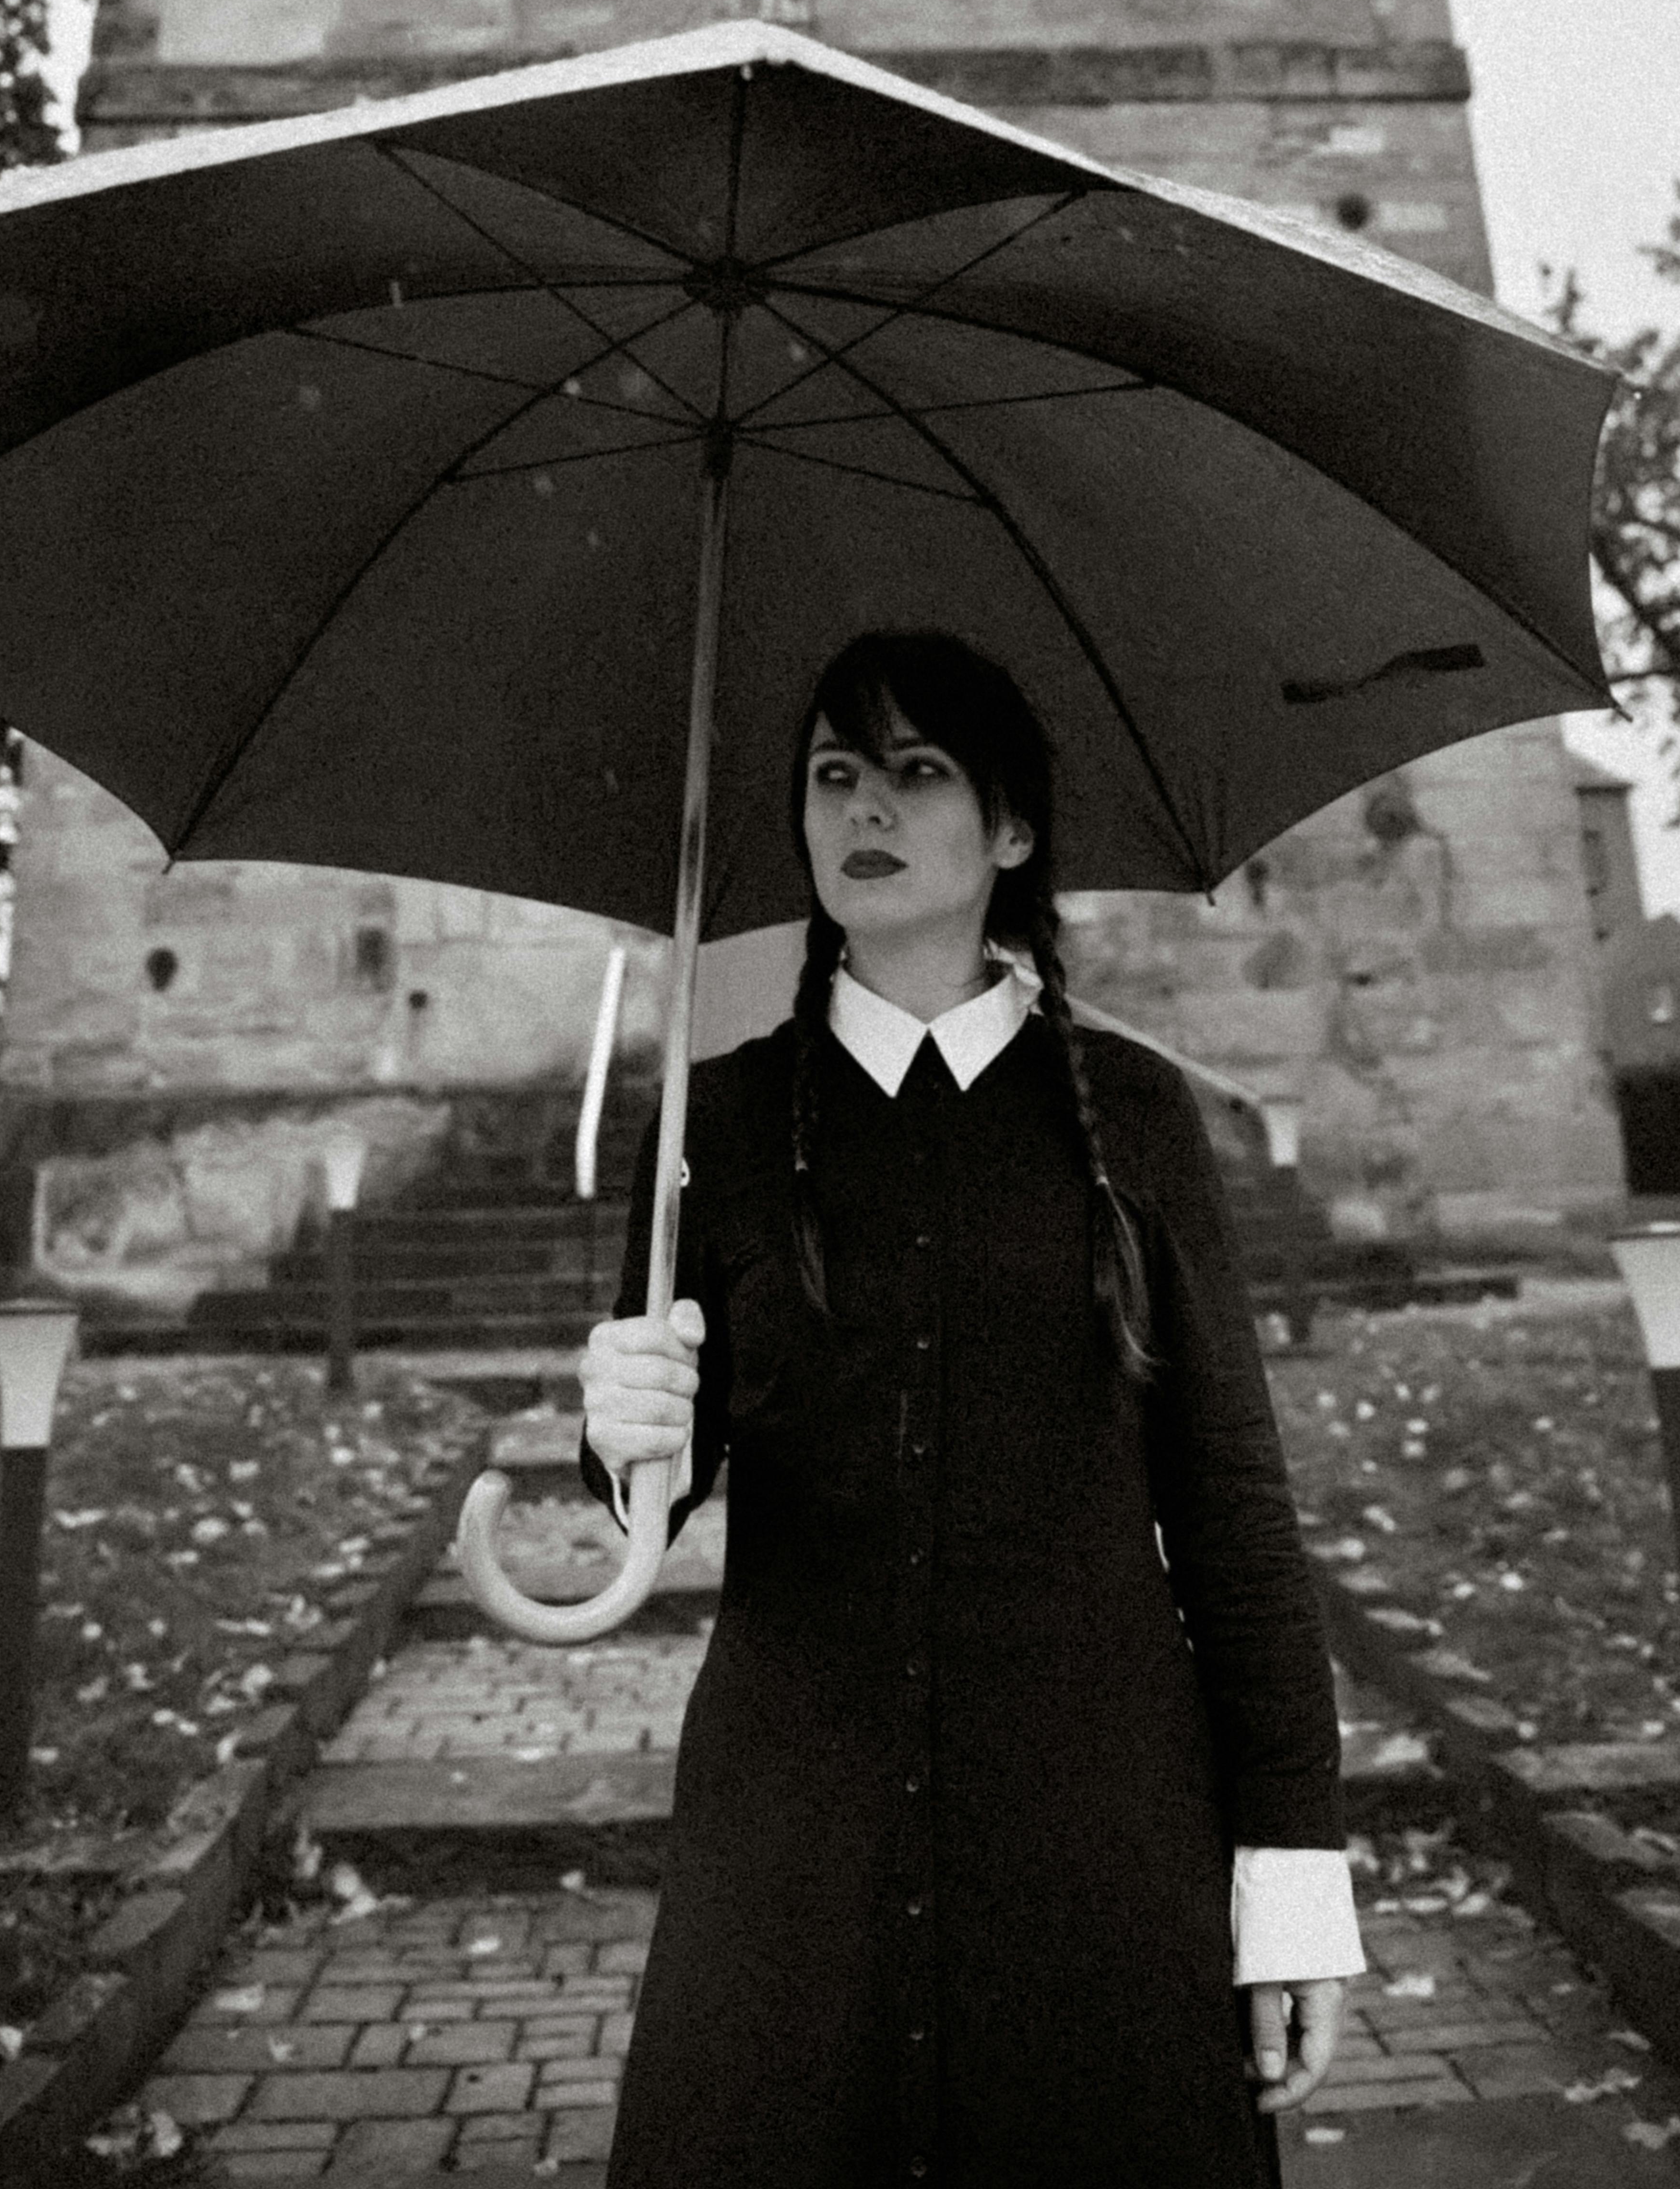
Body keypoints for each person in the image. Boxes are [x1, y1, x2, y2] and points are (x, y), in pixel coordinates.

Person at [580, 631, 1364, 2189]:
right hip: (793, 1827)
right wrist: (621, 1426)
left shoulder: (1133, 1116)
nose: (863, 805)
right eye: (832, 774)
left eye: (917, 770)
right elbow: (648, 1501)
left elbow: (1231, 1509)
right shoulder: (720, 1121)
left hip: (1098, 1823)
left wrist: (1290, 1879)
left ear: (1009, 832)